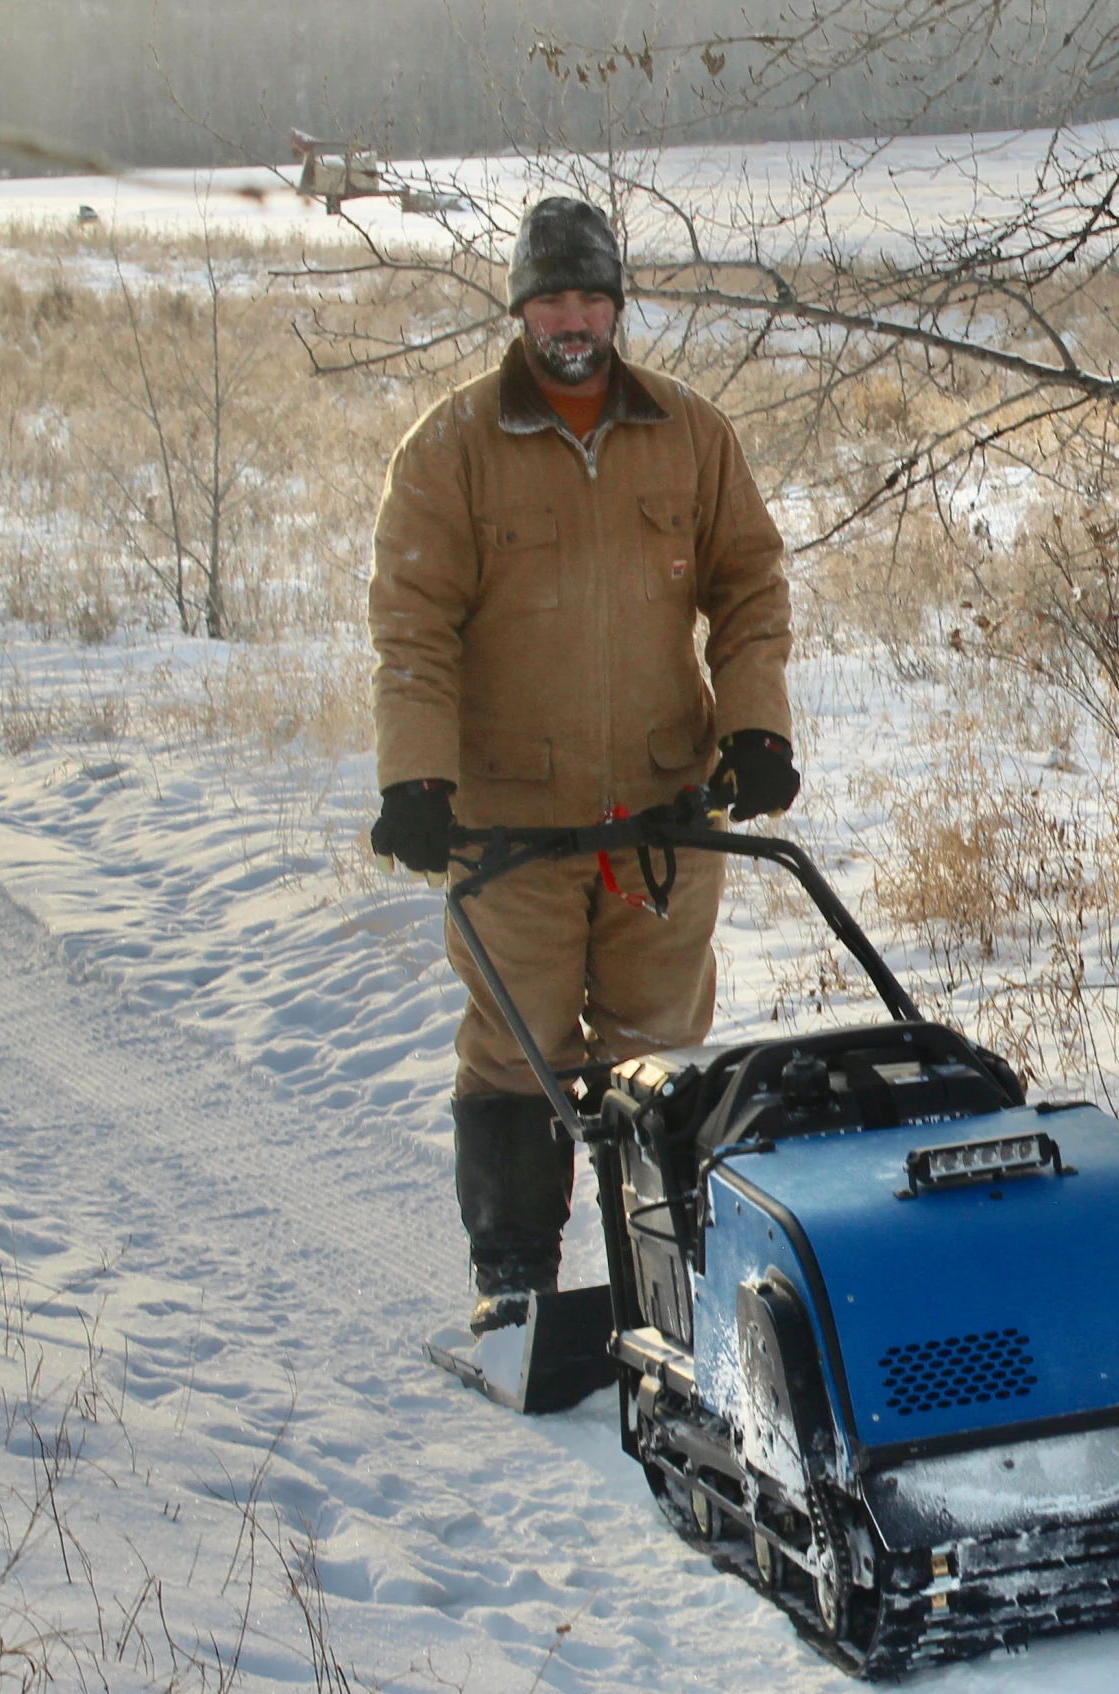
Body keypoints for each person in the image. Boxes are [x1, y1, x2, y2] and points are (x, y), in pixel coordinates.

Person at [365, 196, 798, 1335]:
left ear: (616, 308)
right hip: (510, 820)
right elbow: (412, 625)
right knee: (522, 1048)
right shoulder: (452, 449)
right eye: (550, 299)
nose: (571, 319)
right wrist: (416, 782)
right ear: (520, 310)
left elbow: (749, 585)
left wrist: (756, 731)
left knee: (661, 1056)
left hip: (663, 812)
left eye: (589, 298)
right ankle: (513, 1278)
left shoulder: (692, 435)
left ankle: (668, 1281)